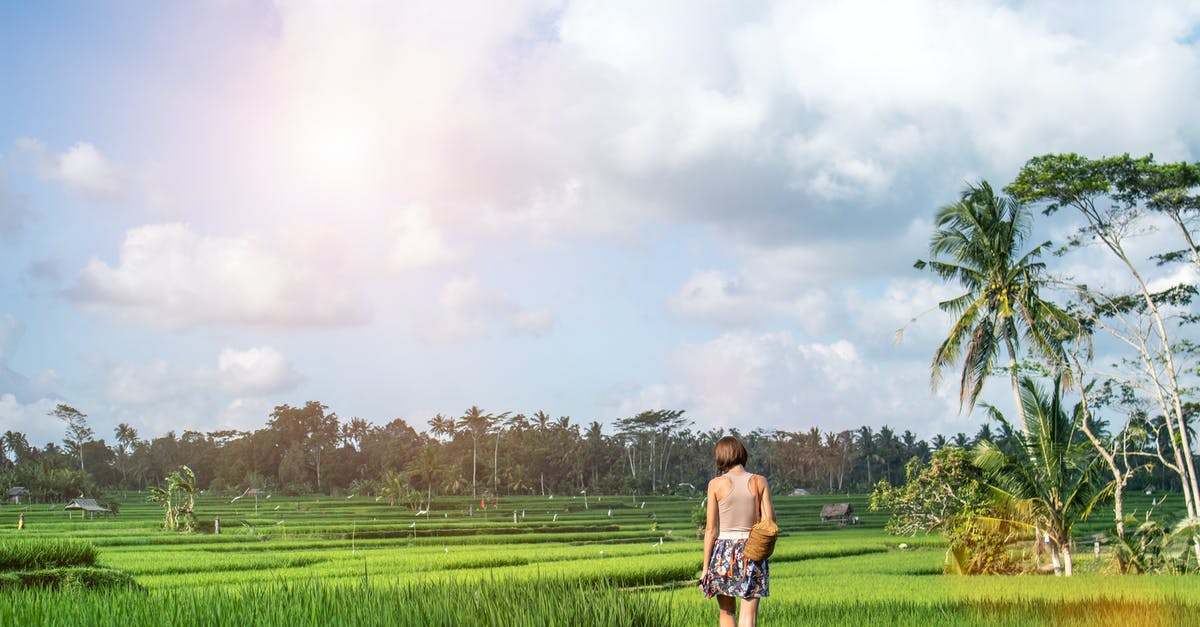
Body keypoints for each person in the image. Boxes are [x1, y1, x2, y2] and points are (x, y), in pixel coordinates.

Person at [699, 435, 774, 627]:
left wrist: (706, 568)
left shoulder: (715, 484)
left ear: (720, 457)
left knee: (726, 612)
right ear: (741, 453)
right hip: (752, 552)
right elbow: (770, 522)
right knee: (748, 615)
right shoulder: (760, 481)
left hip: (723, 553)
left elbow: (710, 530)